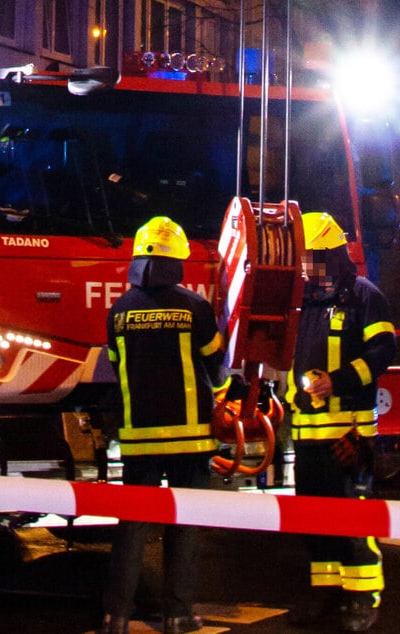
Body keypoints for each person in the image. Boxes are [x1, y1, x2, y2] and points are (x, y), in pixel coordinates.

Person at [101, 216, 226, 634]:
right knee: (184, 526)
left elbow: (117, 367)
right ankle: (177, 614)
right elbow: (217, 366)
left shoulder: (119, 311)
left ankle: (115, 616)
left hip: (138, 439)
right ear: (178, 260)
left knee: (131, 529)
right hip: (190, 437)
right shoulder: (195, 308)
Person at [286, 211, 397, 632]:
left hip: (350, 431)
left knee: (354, 515)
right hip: (309, 434)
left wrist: (338, 381)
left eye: (313, 258)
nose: (306, 268)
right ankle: (328, 593)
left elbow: (382, 354)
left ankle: (363, 596)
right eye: (303, 259)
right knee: (315, 516)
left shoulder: (365, 297)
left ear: (332, 255)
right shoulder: (307, 301)